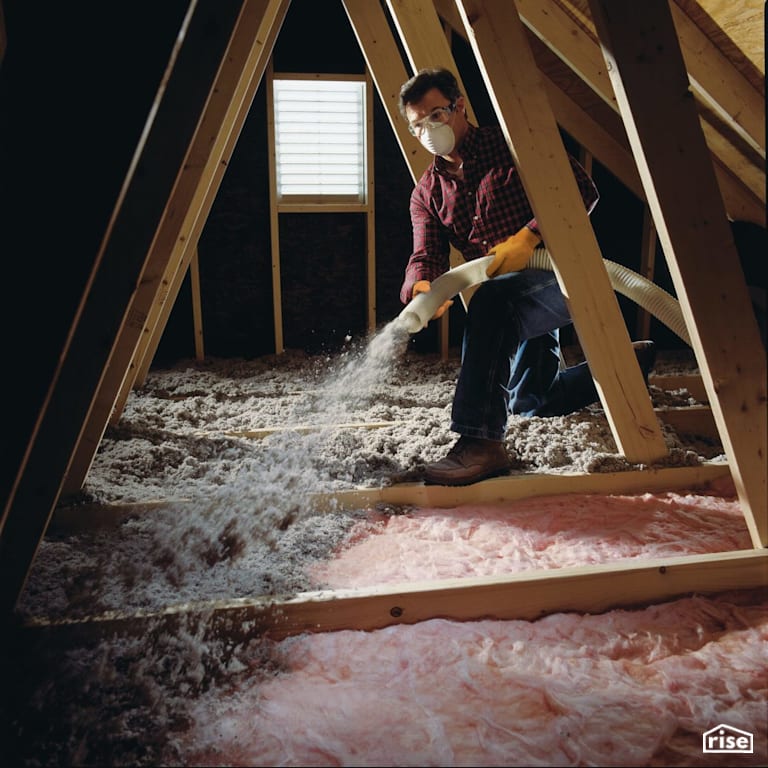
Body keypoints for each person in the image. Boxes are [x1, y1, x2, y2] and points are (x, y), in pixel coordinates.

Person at [398, 67, 655, 486]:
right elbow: (425, 252)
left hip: (564, 274)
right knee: (531, 400)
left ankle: (481, 443)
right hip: (514, 293)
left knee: (490, 304)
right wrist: (422, 287)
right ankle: (629, 362)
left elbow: (582, 189)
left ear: (459, 107)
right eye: (418, 125)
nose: (428, 130)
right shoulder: (426, 191)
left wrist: (529, 237)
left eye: (436, 116)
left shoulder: (511, 146)